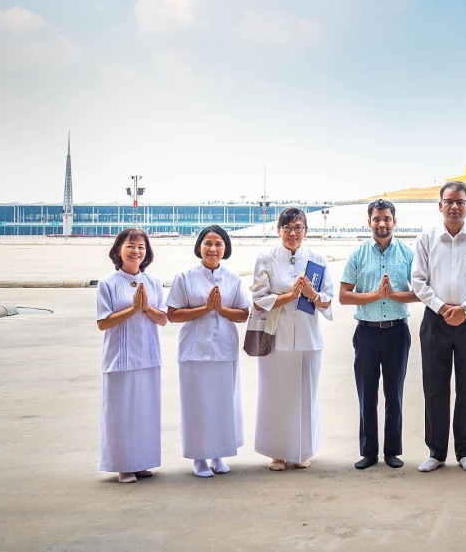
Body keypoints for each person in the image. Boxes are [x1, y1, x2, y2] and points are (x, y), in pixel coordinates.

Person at [411, 182, 466, 473]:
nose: (455, 206)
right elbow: (418, 280)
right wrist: (444, 308)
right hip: (436, 320)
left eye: (460, 201)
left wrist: (465, 308)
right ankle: (435, 451)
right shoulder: (427, 239)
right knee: (435, 385)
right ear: (440, 205)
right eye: (449, 201)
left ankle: (465, 451)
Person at [251, 207, 334, 471]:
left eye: (298, 228)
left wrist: (311, 292)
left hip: (309, 339)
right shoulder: (266, 258)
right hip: (277, 338)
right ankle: (277, 453)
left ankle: (301, 450)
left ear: (305, 231)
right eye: (287, 228)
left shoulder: (317, 259)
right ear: (278, 230)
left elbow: (328, 300)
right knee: (276, 395)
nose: (293, 233)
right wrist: (289, 296)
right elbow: (258, 299)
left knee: (305, 395)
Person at [167, 225, 250, 477]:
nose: (213, 248)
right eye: (207, 243)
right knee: (197, 405)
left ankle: (218, 455)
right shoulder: (185, 277)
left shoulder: (233, 279)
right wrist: (205, 309)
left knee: (222, 404)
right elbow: (172, 314)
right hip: (194, 351)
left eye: (218, 244)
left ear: (225, 248)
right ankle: (199, 459)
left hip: (224, 349)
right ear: (199, 247)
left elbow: (244, 314)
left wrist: (220, 309)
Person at [340, 199, 417, 470]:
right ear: (369, 222)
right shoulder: (358, 254)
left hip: (397, 332)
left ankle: (392, 451)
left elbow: (420, 292)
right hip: (367, 334)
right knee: (367, 394)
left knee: (394, 394)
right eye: (376, 219)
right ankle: (369, 452)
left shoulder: (407, 254)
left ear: (395, 222)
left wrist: (394, 295)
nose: (382, 224)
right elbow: (343, 296)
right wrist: (374, 295)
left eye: (386, 219)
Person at [96, 228, 168, 483]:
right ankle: (123, 464)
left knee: (145, 412)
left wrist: (146, 308)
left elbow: (163, 319)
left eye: (141, 247)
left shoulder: (154, 282)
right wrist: (133, 308)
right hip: (119, 357)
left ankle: (142, 462)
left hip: (148, 356)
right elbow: (103, 323)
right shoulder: (108, 283)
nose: (136, 251)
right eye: (131, 245)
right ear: (118, 250)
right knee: (121, 413)